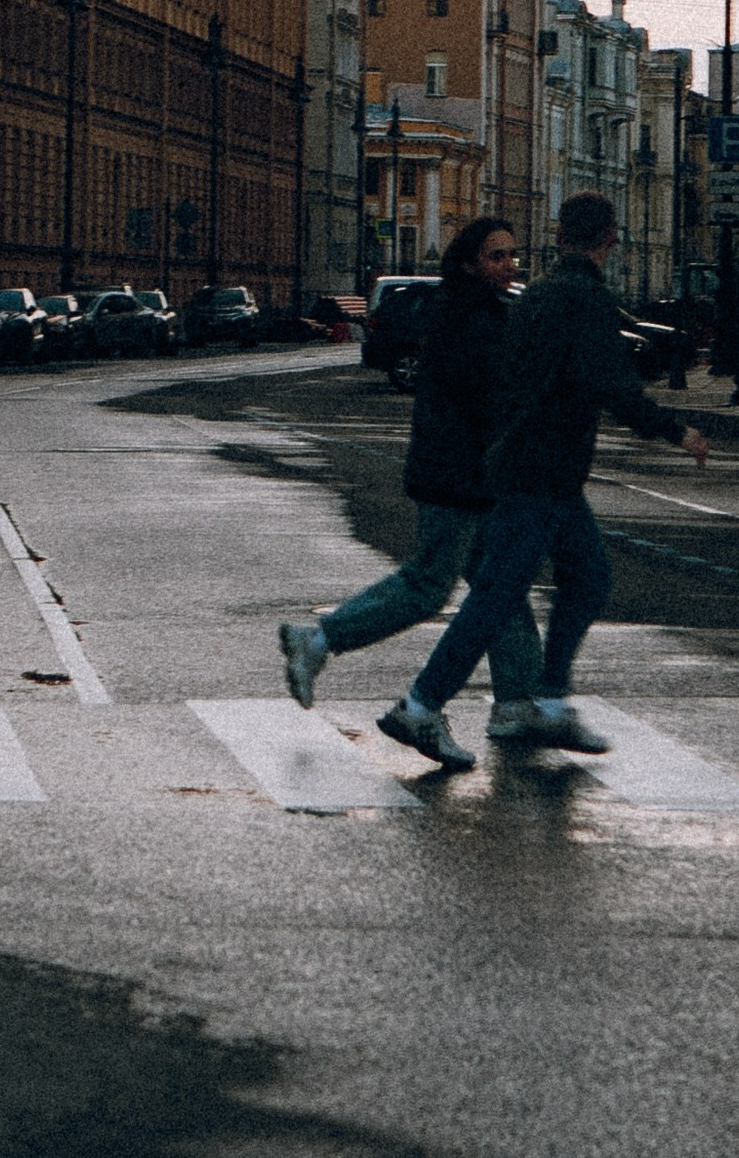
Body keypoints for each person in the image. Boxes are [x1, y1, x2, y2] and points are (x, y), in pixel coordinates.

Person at [378, 191, 708, 774]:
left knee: (584, 577)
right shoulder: (585, 298)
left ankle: (547, 698)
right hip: (540, 470)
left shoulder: (538, 296)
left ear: (558, 237)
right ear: (611, 237)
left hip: (537, 467)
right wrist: (674, 430)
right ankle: (422, 704)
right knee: (502, 593)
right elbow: (612, 383)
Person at [278, 216, 544, 735]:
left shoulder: (479, 310)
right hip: (457, 478)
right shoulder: (470, 317)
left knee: (503, 589)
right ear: (469, 263)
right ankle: (318, 640)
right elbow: (490, 399)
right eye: (496, 256)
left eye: (512, 255)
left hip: (473, 476)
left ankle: (517, 702)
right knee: (427, 585)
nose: (509, 265)